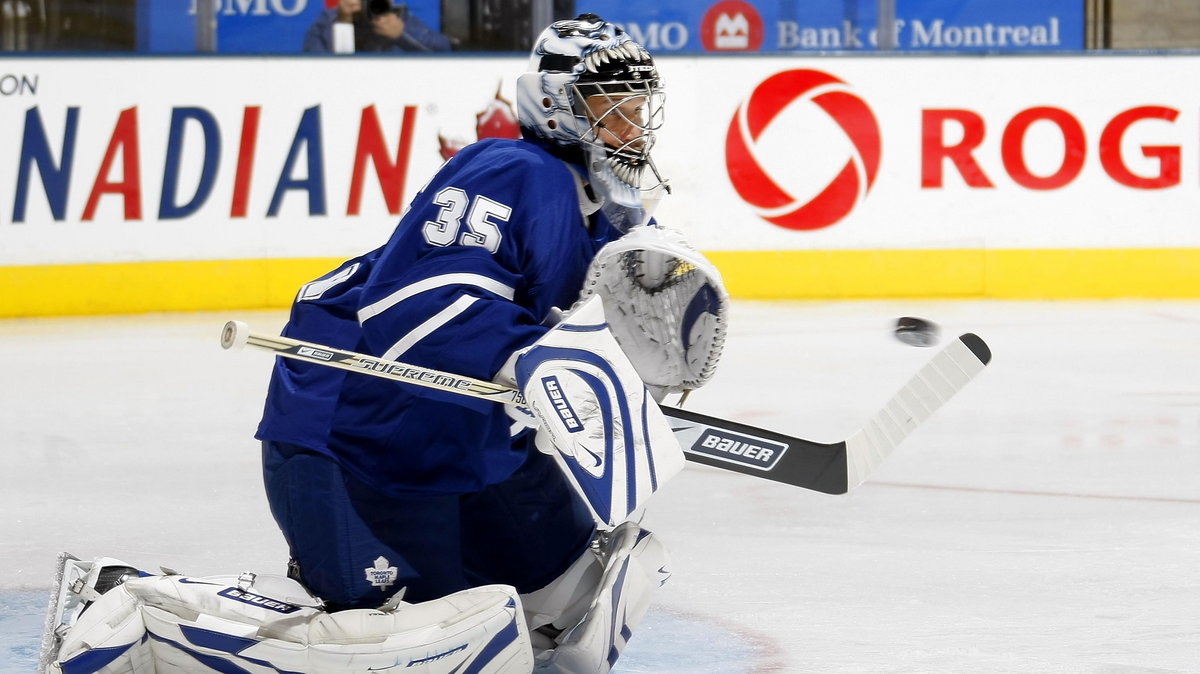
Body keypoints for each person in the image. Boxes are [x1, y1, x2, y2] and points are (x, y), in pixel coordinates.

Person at [303, 0, 451, 53]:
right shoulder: (330, 20)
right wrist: (343, 22)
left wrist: (403, 33)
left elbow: (444, 50)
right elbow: (314, 63)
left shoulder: (401, 19)